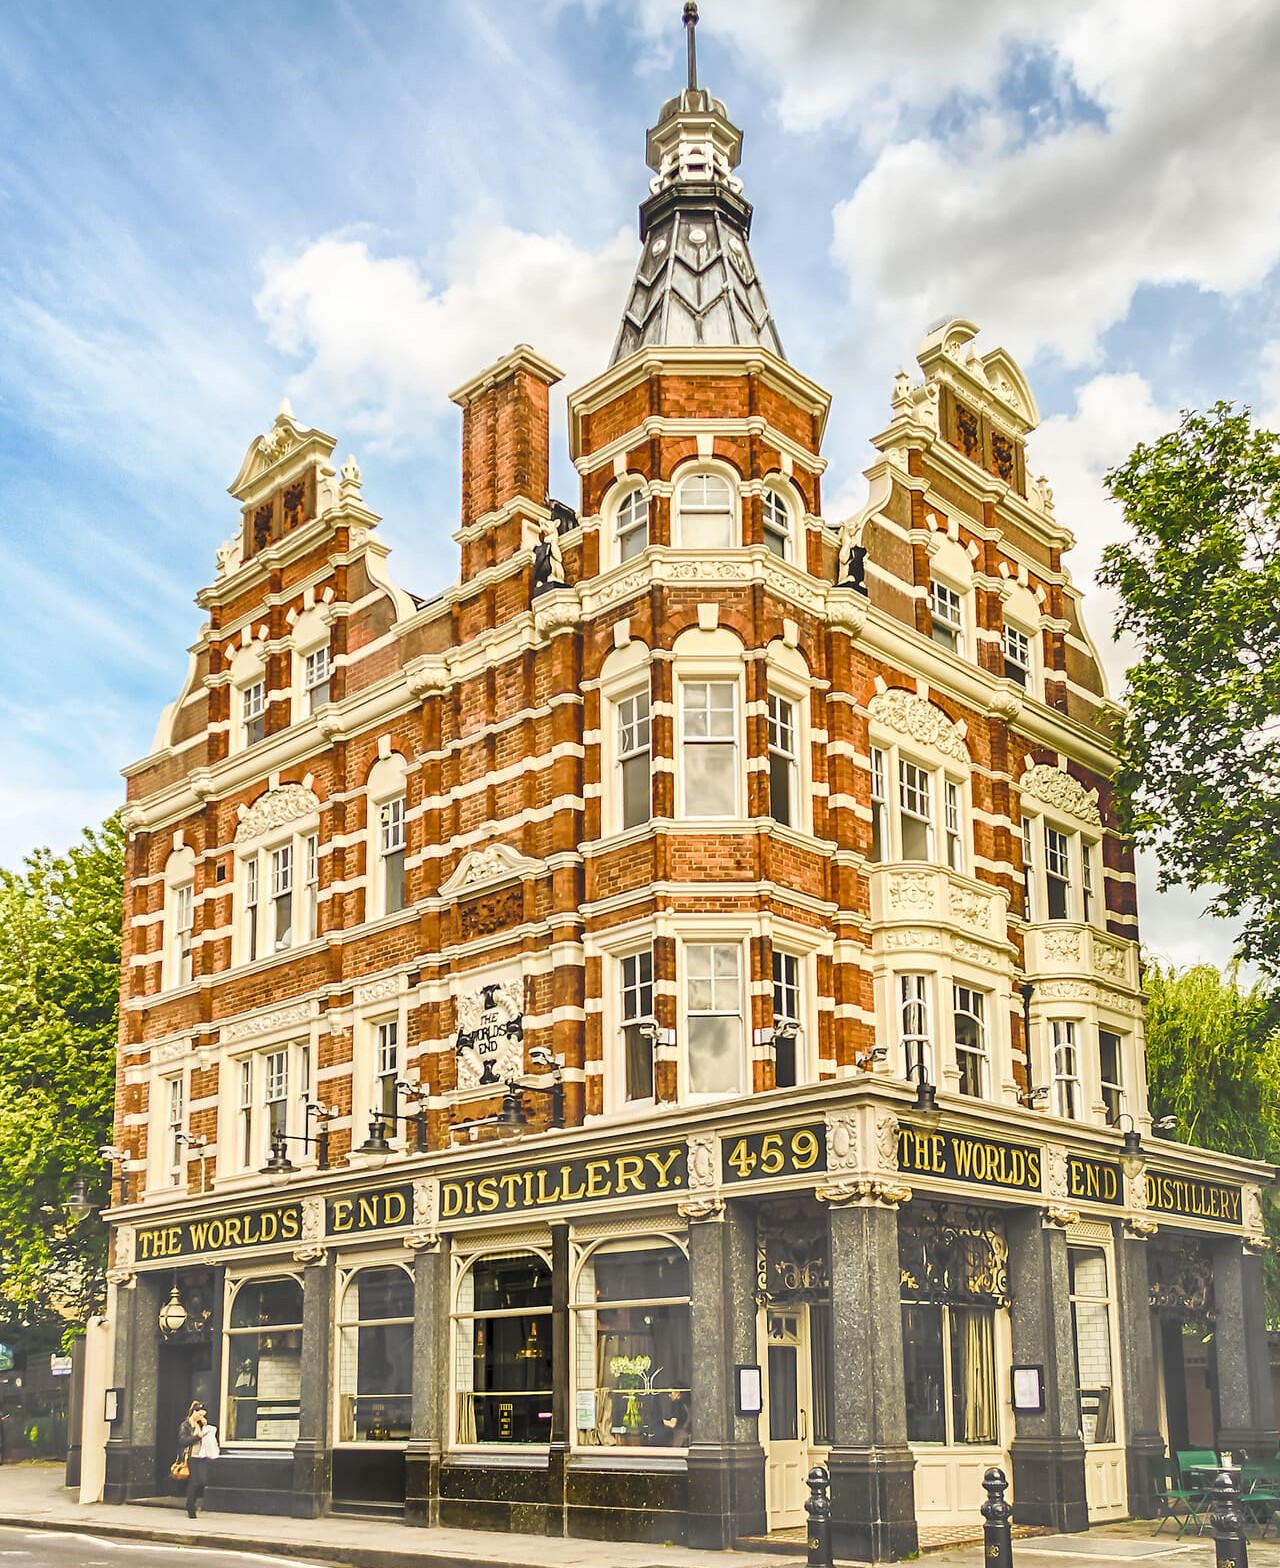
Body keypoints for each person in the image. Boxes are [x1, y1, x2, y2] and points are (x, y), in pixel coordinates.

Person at [177, 1400, 217, 1518]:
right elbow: (183, 1441)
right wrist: (197, 1436)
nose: (201, 1416)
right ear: (193, 1412)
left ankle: (191, 1502)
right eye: (199, 1413)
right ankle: (190, 1507)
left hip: (202, 1455)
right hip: (191, 1456)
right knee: (194, 1482)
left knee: (202, 1481)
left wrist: (205, 1427)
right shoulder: (186, 1425)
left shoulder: (201, 1424)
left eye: (202, 1414)